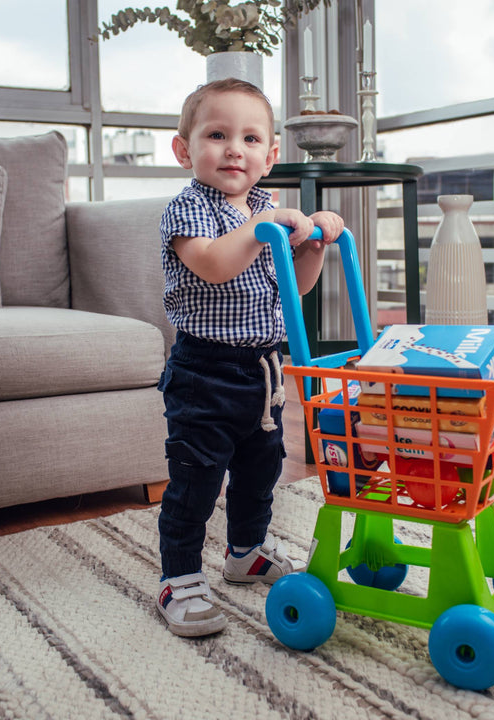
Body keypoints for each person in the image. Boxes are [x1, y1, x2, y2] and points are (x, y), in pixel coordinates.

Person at [156, 78, 344, 638]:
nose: (234, 148)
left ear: (270, 156)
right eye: (217, 134)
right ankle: (180, 577)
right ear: (185, 150)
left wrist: (312, 244)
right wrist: (267, 229)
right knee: (197, 477)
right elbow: (214, 263)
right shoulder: (188, 210)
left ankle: (245, 550)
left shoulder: (266, 208)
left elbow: (298, 289)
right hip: (204, 372)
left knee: (261, 468)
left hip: (265, 372)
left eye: (250, 138)